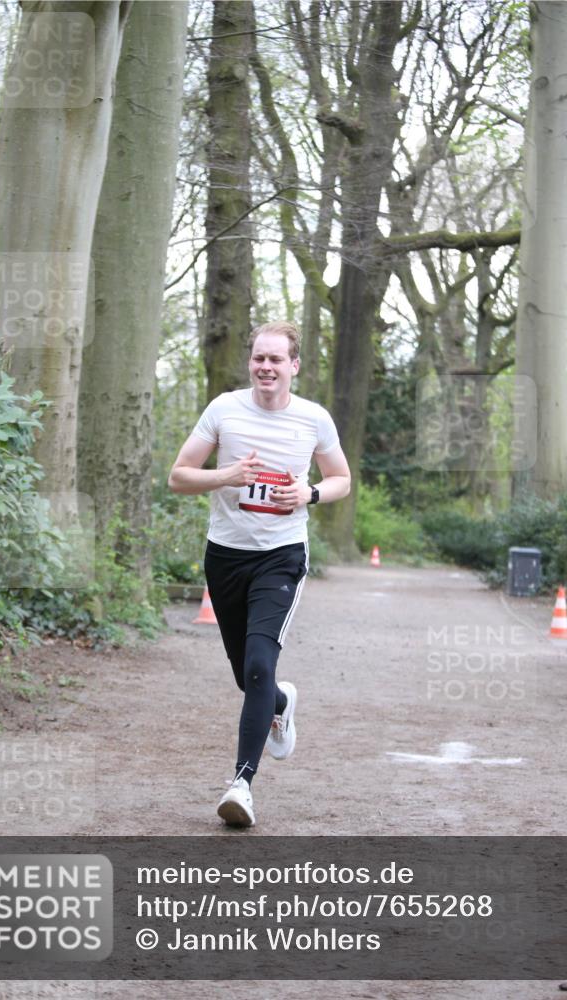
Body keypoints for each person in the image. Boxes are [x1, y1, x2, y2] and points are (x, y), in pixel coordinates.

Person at [168, 321, 351, 827]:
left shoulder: (314, 419)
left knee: (257, 665)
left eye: (276, 359)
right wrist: (225, 476)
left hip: (282, 555)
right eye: (258, 358)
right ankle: (281, 700)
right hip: (225, 556)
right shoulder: (224, 410)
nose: (265, 367)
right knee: (247, 678)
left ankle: (241, 785)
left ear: (294, 365)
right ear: (250, 362)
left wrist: (309, 494)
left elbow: (342, 480)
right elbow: (178, 476)